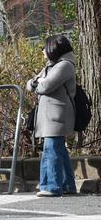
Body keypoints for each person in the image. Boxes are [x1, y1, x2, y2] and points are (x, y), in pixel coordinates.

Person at [28, 34, 78, 197]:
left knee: (51, 150)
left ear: (53, 49)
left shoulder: (64, 65)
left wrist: (38, 83)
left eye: (45, 47)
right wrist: (37, 83)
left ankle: (52, 186)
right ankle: (68, 185)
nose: (43, 50)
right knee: (58, 150)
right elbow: (30, 84)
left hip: (57, 114)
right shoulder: (52, 66)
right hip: (49, 115)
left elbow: (46, 86)